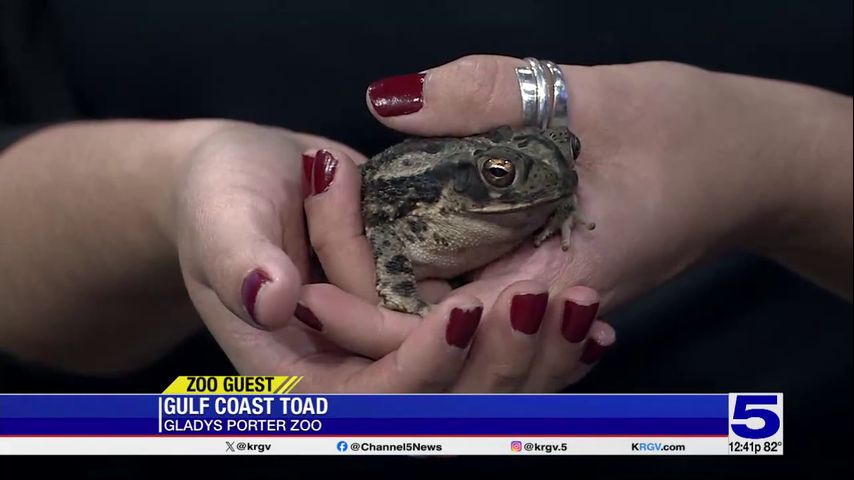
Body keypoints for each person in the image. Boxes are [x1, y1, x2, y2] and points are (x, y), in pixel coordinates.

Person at [1, 49, 850, 394]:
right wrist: (176, 189)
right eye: (508, 174)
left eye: (567, 159)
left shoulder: (539, 181)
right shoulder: (434, 198)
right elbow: (393, 246)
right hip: (210, 414)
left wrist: (771, 157)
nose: (554, 180)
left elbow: (550, 179)